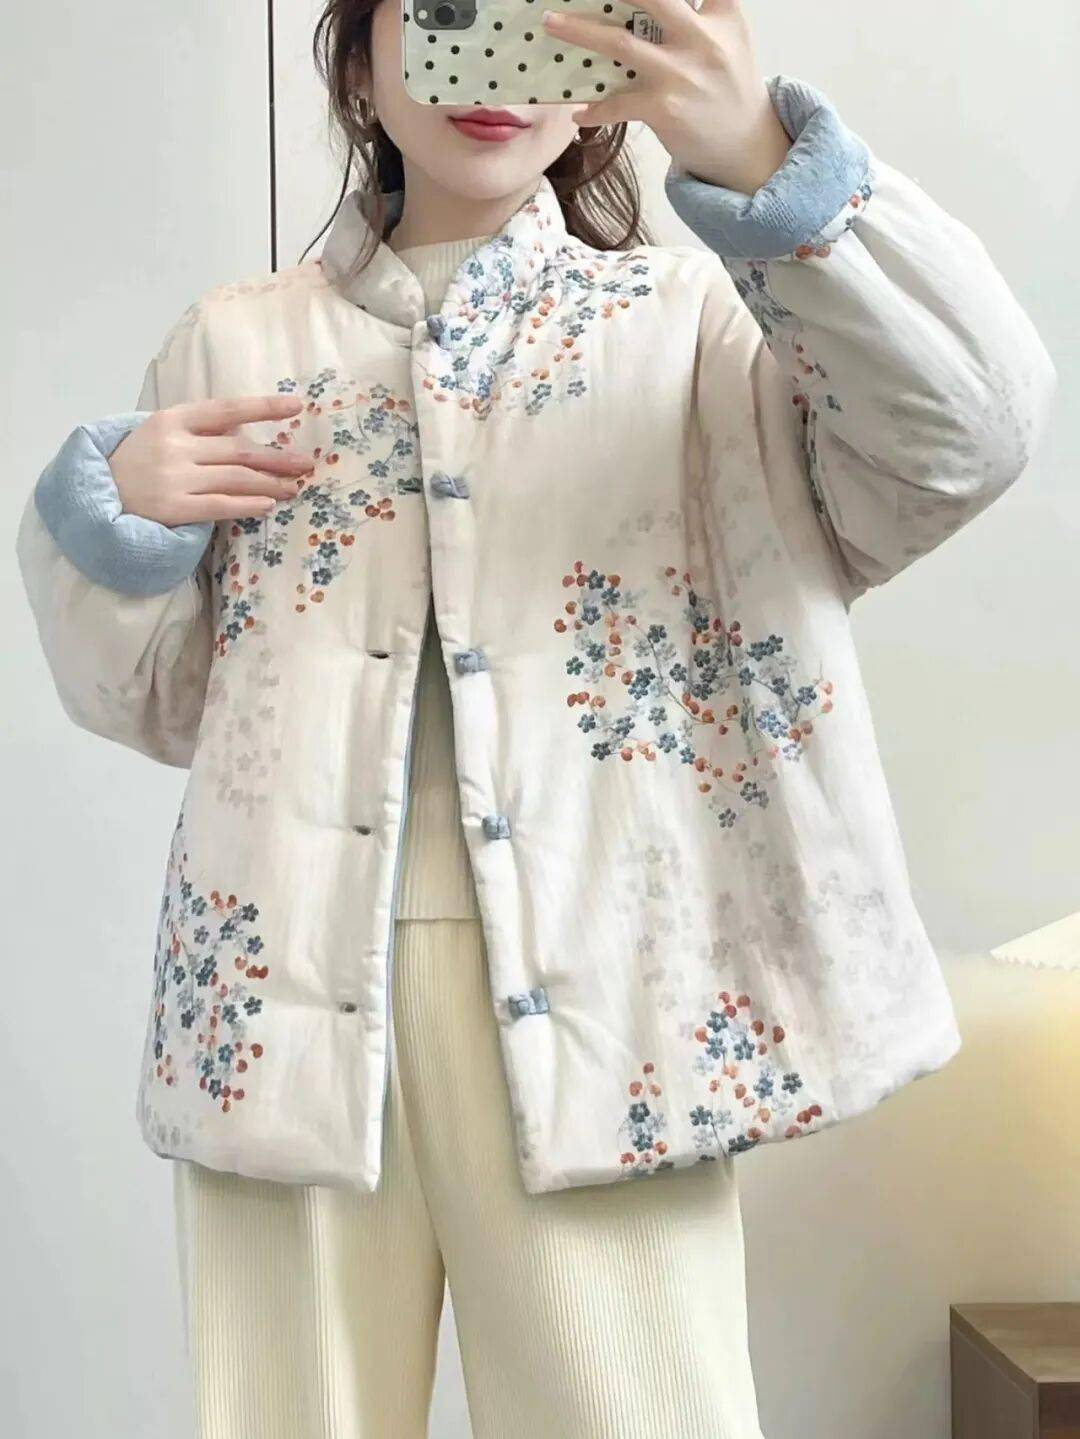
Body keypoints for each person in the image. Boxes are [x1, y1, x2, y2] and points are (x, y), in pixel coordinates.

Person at [14, 0, 1056, 1434]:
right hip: (275, 1002)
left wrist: (761, 162)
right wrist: (111, 523)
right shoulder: (232, 343)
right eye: (447, 15)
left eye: (541, 18)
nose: (491, 63)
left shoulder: (693, 326)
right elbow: (150, 697)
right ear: (360, 58)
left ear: (599, 71)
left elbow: (972, 430)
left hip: (617, 997)